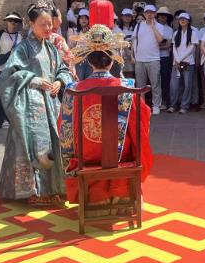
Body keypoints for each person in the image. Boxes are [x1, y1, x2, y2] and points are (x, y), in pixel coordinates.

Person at [58, 25, 153, 208]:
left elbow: (63, 126)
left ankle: (95, 198)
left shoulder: (73, 90)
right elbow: (142, 121)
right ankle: (122, 193)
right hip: (120, 156)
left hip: (86, 155)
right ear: (112, 61)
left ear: (88, 61)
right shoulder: (127, 88)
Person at [0, 0, 73, 205]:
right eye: (43, 24)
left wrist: (59, 81)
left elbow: (63, 70)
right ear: (31, 24)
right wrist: (34, 80)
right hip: (30, 106)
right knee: (31, 143)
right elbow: (8, 75)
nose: (48, 28)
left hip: (51, 103)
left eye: (50, 24)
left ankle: (55, 187)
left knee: (55, 142)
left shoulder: (52, 48)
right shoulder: (22, 49)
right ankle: (32, 191)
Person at [0, 11, 24, 129]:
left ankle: (12, 119)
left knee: (14, 94)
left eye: (15, 21)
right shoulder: (0, 34)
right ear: (6, 22)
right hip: (2, 68)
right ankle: (2, 119)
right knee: (2, 95)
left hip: (16, 68)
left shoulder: (20, 36)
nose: (13, 23)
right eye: (10, 20)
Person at [132, 4, 164, 116]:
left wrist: (153, 26)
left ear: (155, 14)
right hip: (140, 59)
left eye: (151, 12)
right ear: (144, 14)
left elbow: (160, 40)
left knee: (155, 84)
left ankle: (156, 106)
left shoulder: (159, 26)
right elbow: (134, 41)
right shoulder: (138, 25)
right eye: (147, 12)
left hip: (154, 59)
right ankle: (141, 105)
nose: (149, 14)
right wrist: (133, 55)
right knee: (140, 86)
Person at [168, 12, 198, 113]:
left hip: (187, 62)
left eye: (184, 19)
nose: (182, 20)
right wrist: (177, 59)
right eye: (181, 19)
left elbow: (191, 48)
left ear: (188, 21)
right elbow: (174, 47)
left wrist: (180, 59)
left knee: (187, 85)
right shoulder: (176, 33)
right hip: (176, 63)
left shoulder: (193, 33)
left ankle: (184, 106)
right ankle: (173, 105)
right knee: (174, 85)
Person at [155, 6, 174, 108]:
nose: (163, 17)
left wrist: (156, 46)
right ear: (157, 16)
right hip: (153, 58)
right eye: (161, 15)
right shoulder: (153, 27)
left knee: (165, 80)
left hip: (165, 58)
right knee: (155, 80)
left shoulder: (169, 29)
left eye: (165, 15)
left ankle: (165, 101)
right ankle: (156, 102)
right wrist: (161, 44)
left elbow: (168, 45)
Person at [72, 8, 92, 81]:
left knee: (89, 81)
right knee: (78, 81)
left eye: (86, 18)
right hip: (78, 58)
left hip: (90, 59)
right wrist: (81, 34)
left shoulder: (92, 32)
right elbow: (71, 46)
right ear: (78, 20)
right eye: (82, 18)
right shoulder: (73, 30)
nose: (84, 20)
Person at [118, 8, 137, 78]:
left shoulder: (135, 28)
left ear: (132, 18)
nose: (127, 17)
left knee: (131, 75)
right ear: (122, 17)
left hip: (133, 56)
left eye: (129, 16)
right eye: (125, 15)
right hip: (121, 56)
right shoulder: (118, 28)